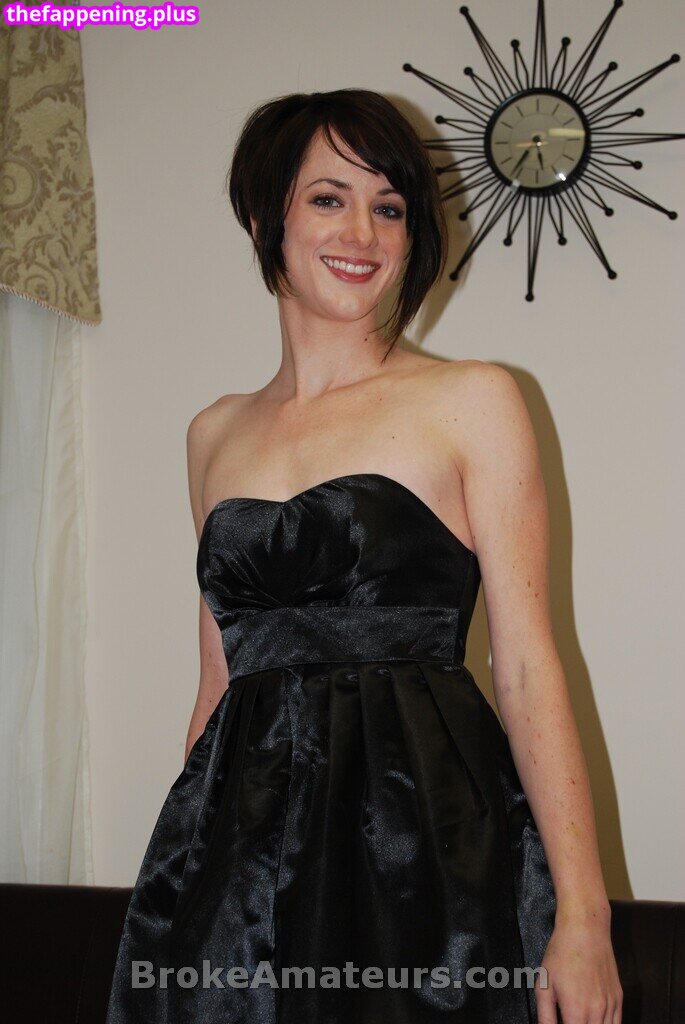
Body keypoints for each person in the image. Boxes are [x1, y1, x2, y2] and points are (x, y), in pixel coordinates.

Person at [105, 89, 623, 1024]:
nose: (363, 233)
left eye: (388, 207)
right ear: (264, 218)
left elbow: (526, 668)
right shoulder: (212, 433)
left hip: (424, 845)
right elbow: (218, 684)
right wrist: (193, 877)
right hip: (242, 859)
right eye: (327, 198)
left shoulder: (472, 399)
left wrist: (583, 917)